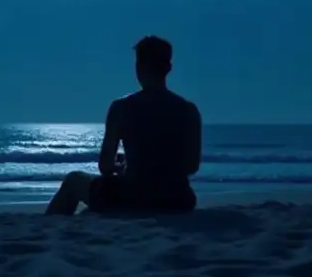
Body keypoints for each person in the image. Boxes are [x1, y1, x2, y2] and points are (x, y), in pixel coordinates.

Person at [45, 35, 202, 215]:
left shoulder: (122, 108)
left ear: (138, 67)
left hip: (134, 196)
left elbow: (105, 166)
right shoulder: (188, 110)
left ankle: (48, 234)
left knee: (73, 181)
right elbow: (192, 166)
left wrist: (123, 167)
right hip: (177, 198)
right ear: (168, 68)